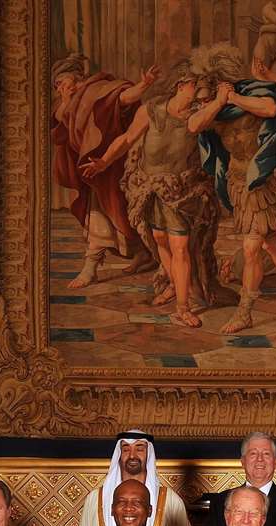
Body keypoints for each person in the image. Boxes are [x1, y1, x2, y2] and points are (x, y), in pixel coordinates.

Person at [186, 44, 276, 333]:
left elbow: (272, 108)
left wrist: (234, 97)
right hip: (239, 182)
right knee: (271, 243)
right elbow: (193, 126)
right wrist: (217, 102)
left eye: (207, 96)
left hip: (263, 180)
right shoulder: (215, 108)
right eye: (201, 98)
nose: (202, 102)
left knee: (252, 247)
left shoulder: (252, 94)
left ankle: (245, 311)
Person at [83, 67, 226, 327]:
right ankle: (173, 283)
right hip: (148, 187)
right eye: (196, 88)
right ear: (182, 85)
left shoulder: (197, 116)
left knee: (180, 246)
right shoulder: (151, 110)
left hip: (181, 190)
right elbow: (127, 139)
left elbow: (201, 124)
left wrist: (220, 100)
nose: (199, 96)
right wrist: (104, 161)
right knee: (159, 239)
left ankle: (183, 308)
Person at [51, 54, 157, 288]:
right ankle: (141, 254)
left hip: (112, 160)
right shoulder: (66, 102)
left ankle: (92, 267)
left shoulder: (98, 89)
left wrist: (144, 84)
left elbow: (123, 99)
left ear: (74, 75)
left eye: (61, 80)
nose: (60, 87)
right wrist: (67, 101)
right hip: (90, 167)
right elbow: (60, 125)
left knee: (116, 210)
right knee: (107, 212)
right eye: (56, 85)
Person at [76, 431, 192, 526]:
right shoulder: (95, 499)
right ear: (119, 454)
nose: (132, 456)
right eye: (126, 449)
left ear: (149, 454)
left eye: (139, 449)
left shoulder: (171, 501)